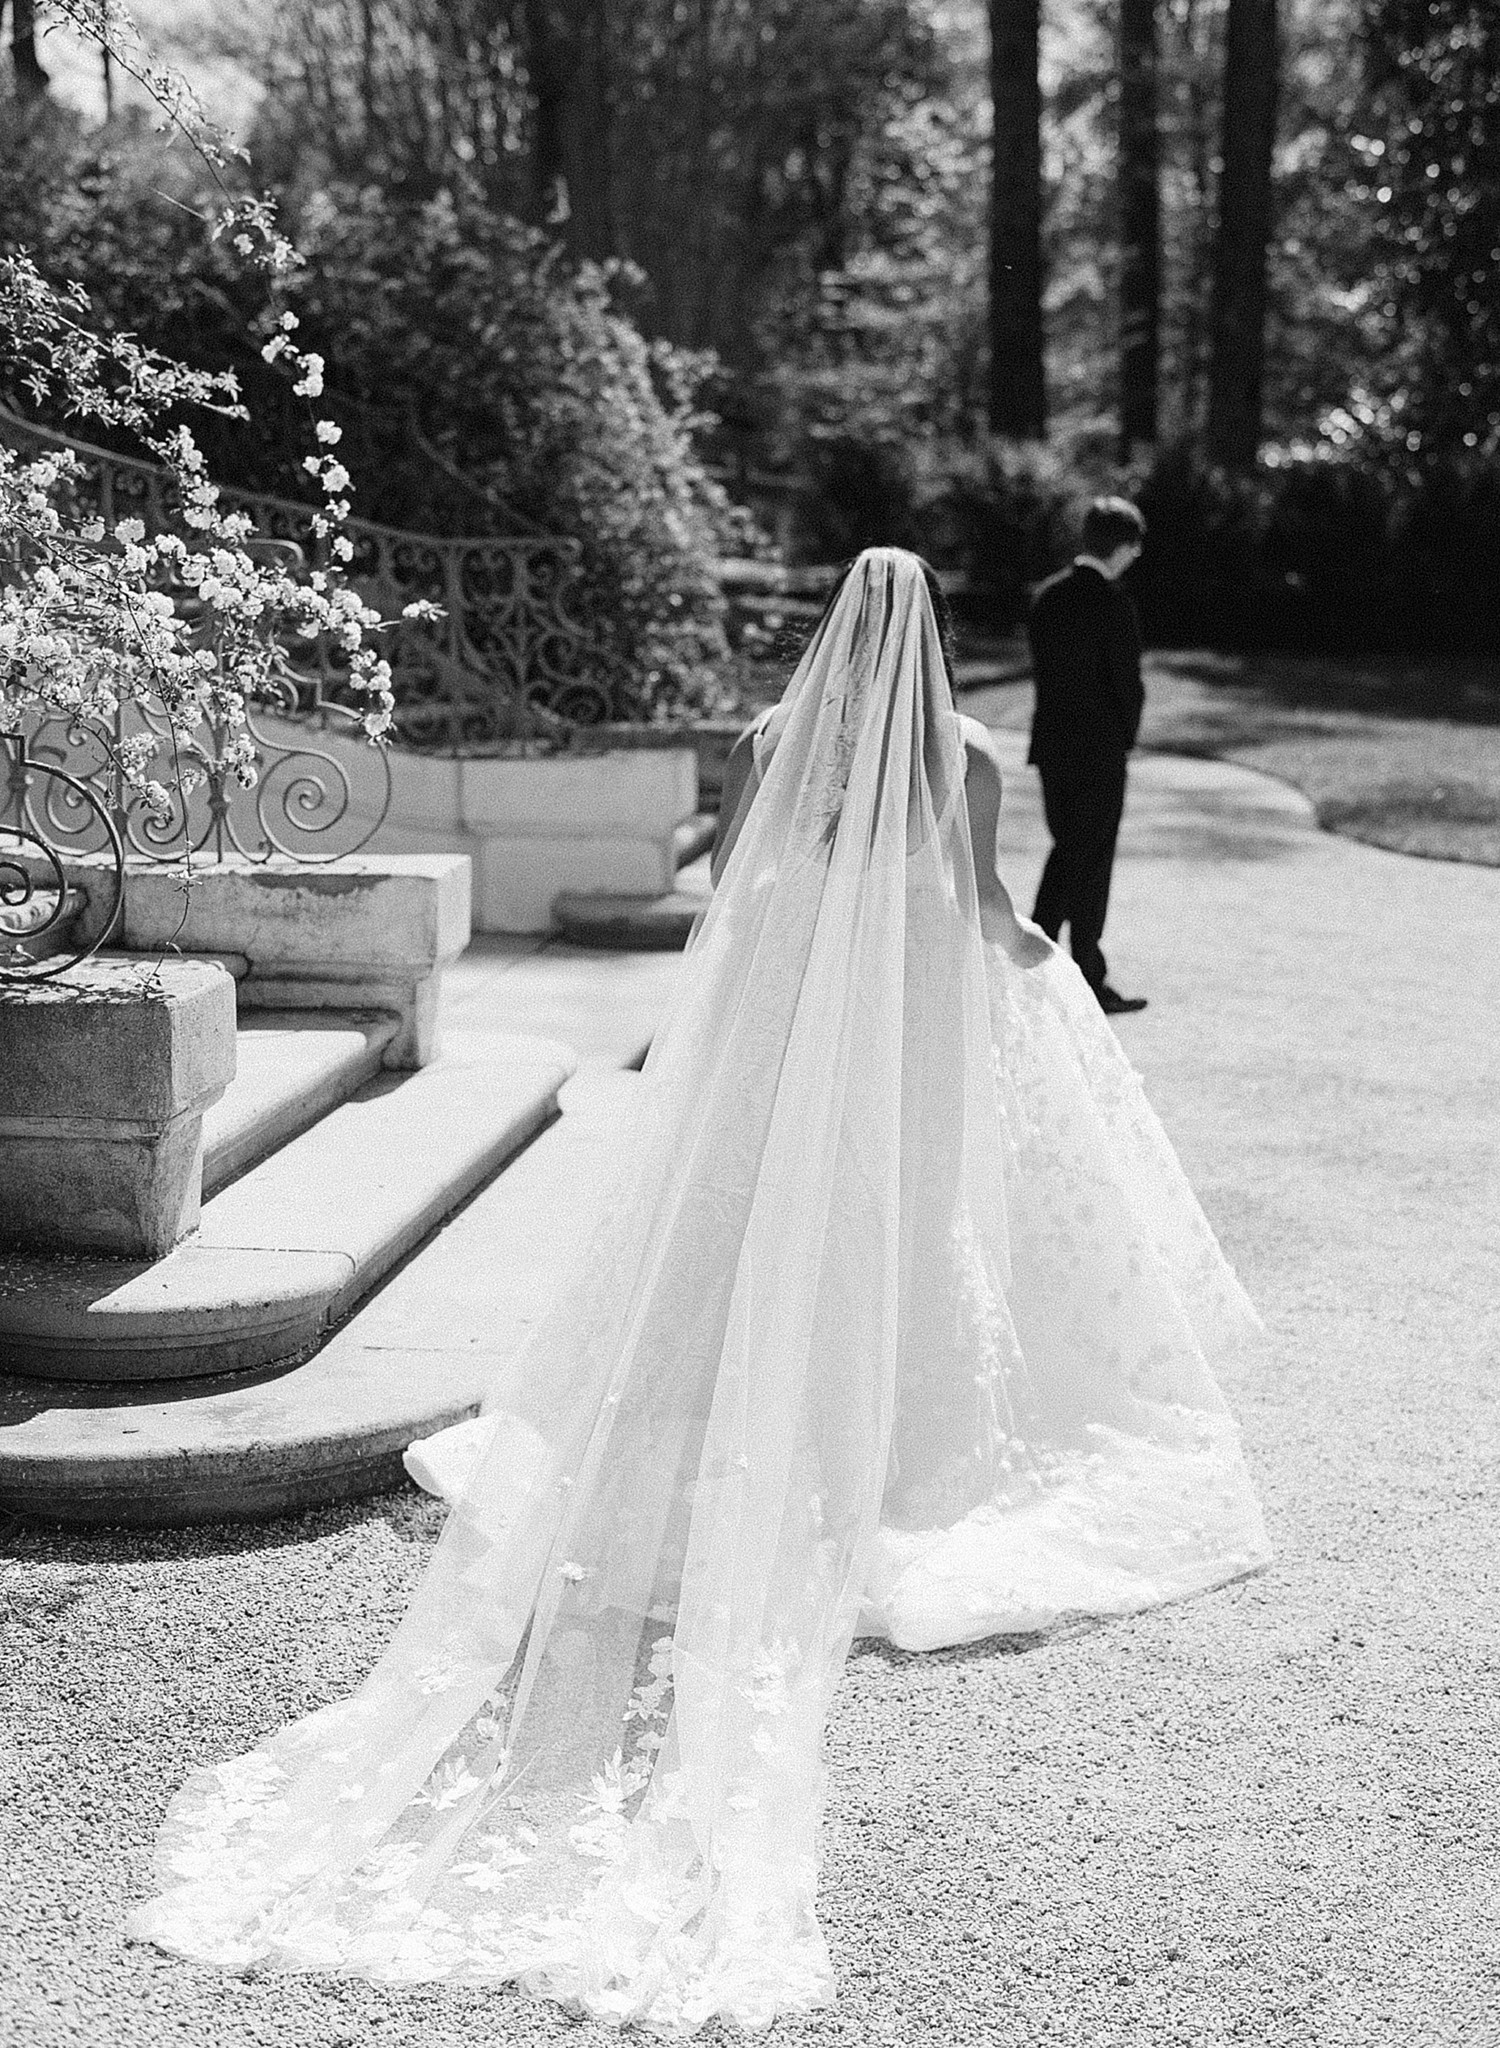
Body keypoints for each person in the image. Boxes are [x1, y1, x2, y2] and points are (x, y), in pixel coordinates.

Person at [128, 550, 1269, 2035]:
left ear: (830, 631)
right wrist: (1037, 959)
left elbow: (736, 902)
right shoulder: (967, 753)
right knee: (902, 1226)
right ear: (929, 637)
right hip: (902, 1031)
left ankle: (740, 1402)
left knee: (747, 1237)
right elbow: (981, 904)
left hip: (790, 1027)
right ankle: (889, 1438)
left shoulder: (764, 746)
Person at [1028, 496, 1149, 1014]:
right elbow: (1127, 684)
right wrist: (1126, 736)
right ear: (1122, 548)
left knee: (1068, 847)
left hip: (1054, 746)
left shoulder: (1047, 597)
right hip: (1099, 750)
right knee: (1090, 859)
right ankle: (1076, 970)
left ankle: (1042, 957)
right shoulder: (1114, 603)